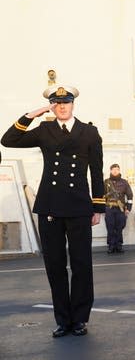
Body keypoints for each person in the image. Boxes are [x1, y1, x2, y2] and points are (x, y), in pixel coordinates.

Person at [1, 85, 105, 337]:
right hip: (50, 206)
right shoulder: (44, 130)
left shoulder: (89, 132)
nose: (61, 106)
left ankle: (80, 319)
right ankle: (63, 320)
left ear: (73, 104)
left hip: (79, 207)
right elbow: (8, 140)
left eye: (66, 102)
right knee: (55, 266)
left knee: (81, 265)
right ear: (52, 106)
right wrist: (33, 114)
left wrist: (97, 206)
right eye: (56, 103)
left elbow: (97, 171)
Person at [104, 163, 133, 253]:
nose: (115, 171)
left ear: (119, 171)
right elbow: (101, 195)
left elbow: (130, 195)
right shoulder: (106, 182)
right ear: (111, 171)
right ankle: (111, 246)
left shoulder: (124, 182)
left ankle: (119, 246)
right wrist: (100, 208)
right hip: (109, 208)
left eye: (117, 169)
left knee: (120, 227)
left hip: (120, 209)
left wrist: (128, 208)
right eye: (113, 169)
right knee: (110, 227)